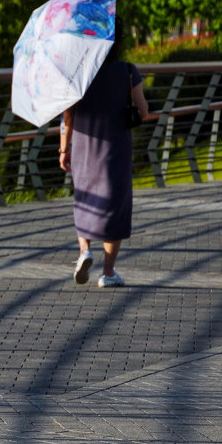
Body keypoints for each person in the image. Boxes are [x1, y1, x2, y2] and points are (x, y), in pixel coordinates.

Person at [58, 32, 149, 288]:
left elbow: (67, 117)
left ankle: (84, 250)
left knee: (84, 200)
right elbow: (143, 111)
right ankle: (108, 273)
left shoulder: (78, 73)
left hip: (83, 148)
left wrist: (64, 150)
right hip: (115, 149)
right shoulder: (128, 71)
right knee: (116, 208)